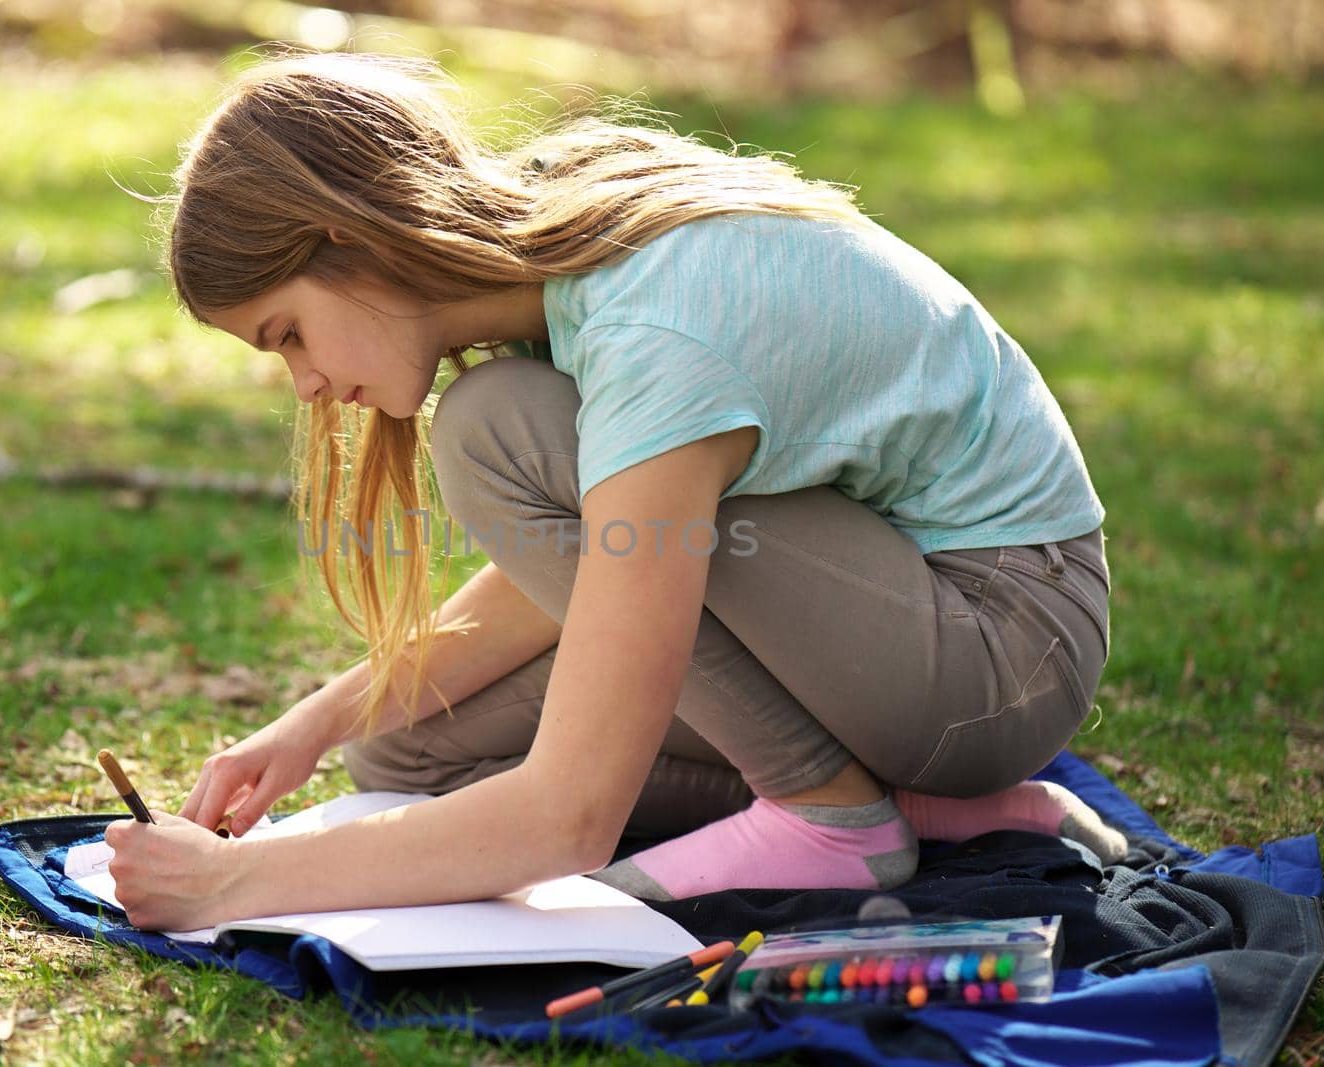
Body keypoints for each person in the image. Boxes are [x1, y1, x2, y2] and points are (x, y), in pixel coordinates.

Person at [103, 50, 1124, 931]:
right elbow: (624, 554)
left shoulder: (651, 329)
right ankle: (924, 806)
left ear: (354, 240)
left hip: (998, 645)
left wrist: (234, 882)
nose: (308, 385)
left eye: (287, 333)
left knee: (494, 429)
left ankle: (832, 815)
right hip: (883, 621)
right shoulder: (547, 253)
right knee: (406, 744)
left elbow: (569, 814)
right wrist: (314, 723)